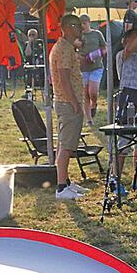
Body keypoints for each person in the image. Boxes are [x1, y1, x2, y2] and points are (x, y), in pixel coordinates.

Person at [49, 14, 89, 201]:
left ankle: (65, 181)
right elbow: (64, 77)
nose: (80, 28)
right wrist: (74, 102)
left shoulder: (66, 47)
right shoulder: (64, 48)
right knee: (66, 146)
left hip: (64, 101)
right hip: (67, 102)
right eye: (77, 25)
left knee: (65, 144)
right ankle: (61, 187)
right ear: (67, 27)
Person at [78, 20, 105, 126]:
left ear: (89, 23)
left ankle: (94, 104)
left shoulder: (97, 34)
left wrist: (96, 54)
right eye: (81, 23)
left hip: (96, 67)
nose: (82, 25)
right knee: (85, 94)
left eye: (84, 23)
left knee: (92, 91)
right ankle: (89, 120)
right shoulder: (78, 36)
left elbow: (105, 48)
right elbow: (73, 50)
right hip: (83, 68)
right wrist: (81, 57)